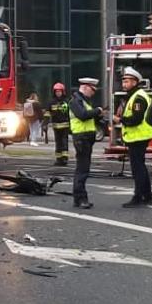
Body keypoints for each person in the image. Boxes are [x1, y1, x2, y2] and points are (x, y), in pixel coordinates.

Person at [117, 67, 152, 207]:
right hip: (137, 136)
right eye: (123, 81)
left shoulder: (138, 97)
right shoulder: (134, 95)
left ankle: (139, 197)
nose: (124, 84)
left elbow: (136, 119)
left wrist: (120, 120)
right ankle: (147, 196)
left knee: (138, 168)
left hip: (139, 136)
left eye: (127, 81)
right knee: (140, 167)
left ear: (135, 82)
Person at [67, 77, 101, 209]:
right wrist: (97, 111)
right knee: (82, 169)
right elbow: (82, 115)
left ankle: (79, 198)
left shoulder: (84, 101)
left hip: (86, 138)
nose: (93, 93)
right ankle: (80, 198)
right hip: (81, 138)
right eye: (92, 90)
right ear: (85, 87)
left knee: (83, 168)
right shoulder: (76, 101)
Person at [47, 82, 71, 167]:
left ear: (63, 92)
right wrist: (45, 123)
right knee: (58, 143)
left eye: (59, 91)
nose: (58, 93)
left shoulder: (66, 102)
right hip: (56, 126)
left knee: (64, 142)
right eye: (57, 92)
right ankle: (58, 159)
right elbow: (47, 113)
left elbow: (70, 113)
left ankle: (64, 158)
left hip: (65, 125)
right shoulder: (51, 102)